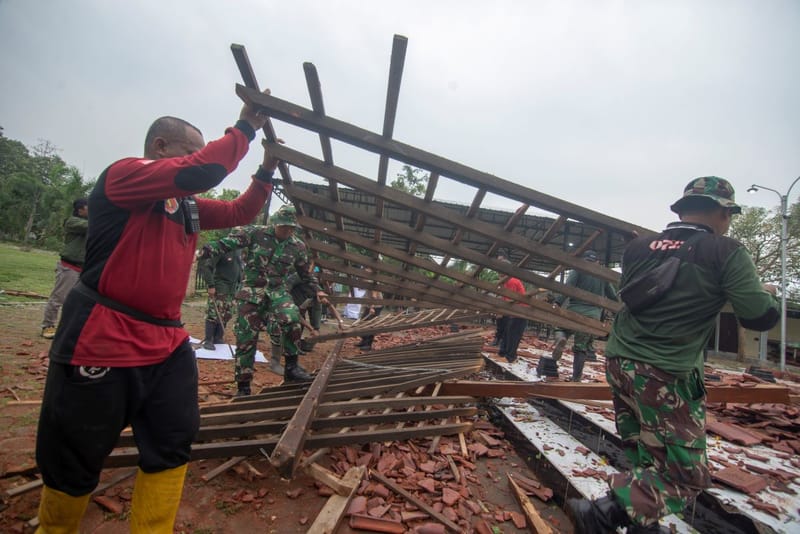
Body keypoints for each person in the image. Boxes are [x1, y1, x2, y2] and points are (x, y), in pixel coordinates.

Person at [34, 94, 277, 533]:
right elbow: (204, 170)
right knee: (76, 448)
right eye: (190, 149)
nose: (197, 159)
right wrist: (244, 128)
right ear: (160, 147)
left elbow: (240, 211)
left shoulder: (184, 207)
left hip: (166, 341)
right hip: (105, 333)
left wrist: (266, 172)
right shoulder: (125, 176)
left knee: (172, 440)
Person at [567, 177, 780, 534]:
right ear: (721, 212)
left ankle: (642, 527)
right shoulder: (725, 251)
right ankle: (602, 514)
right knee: (685, 475)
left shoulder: (639, 248)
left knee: (644, 451)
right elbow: (758, 315)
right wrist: (766, 291)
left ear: (681, 209)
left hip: (620, 361)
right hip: (665, 371)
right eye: (729, 215)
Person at [200, 205, 327, 395]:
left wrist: (318, 291)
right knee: (246, 337)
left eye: (291, 228)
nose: (288, 231)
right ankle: (243, 386)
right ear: (275, 224)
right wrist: (206, 250)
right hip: (252, 291)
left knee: (292, 318)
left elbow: (305, 274)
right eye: (284, 227)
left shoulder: (298, 246)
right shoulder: (254, 233)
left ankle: (291, 367)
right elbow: (228, 243)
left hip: (277, 292)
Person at [548, 249, 618, 382]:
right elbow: (612, 296)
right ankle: (576, 378)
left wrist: (557, 302)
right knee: (581, 347)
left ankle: (561, 339)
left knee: (560, 328)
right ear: (597, 261)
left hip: (574, 310)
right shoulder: (603, 275)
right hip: (593, 316)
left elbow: (567, 288)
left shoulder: (578, 269)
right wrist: (618, 312)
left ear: (584, 259)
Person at [40, 198, 88, 339]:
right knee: (58, 298)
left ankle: (69, 328)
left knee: (78, 301)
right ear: (80, 209)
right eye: (89, 207)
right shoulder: (72, 222)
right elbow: (91, 226)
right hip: (69, 267)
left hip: (84, 269)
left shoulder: (93, 224)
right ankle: (47, 326)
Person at [194, 246, 243, 350]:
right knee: (213, 313)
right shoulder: (222, 248)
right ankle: (208, 340)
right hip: (220, 287)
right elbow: (207, 267)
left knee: (227, 313)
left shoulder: (238, 250)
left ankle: (218, 338)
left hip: (233, 289)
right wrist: (211, 285)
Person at [497, 258, 527, 363]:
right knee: (507, 333)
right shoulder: (505, 281)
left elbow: (511, 300)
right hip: (512, 311)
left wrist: (502, 311)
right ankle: (503, 353)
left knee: (513, 335)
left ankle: (510, 357)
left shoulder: (511, 281)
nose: (497, 272)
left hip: (519, 311)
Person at [355, 268, 383, 350]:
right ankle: (364, 341)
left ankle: (368, 345)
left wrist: (372, 307)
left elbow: (374, 296)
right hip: (369, 305)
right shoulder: (367, 281)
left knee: (371, 324)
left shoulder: (373, 282)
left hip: (375, 306)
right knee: (363, 322)